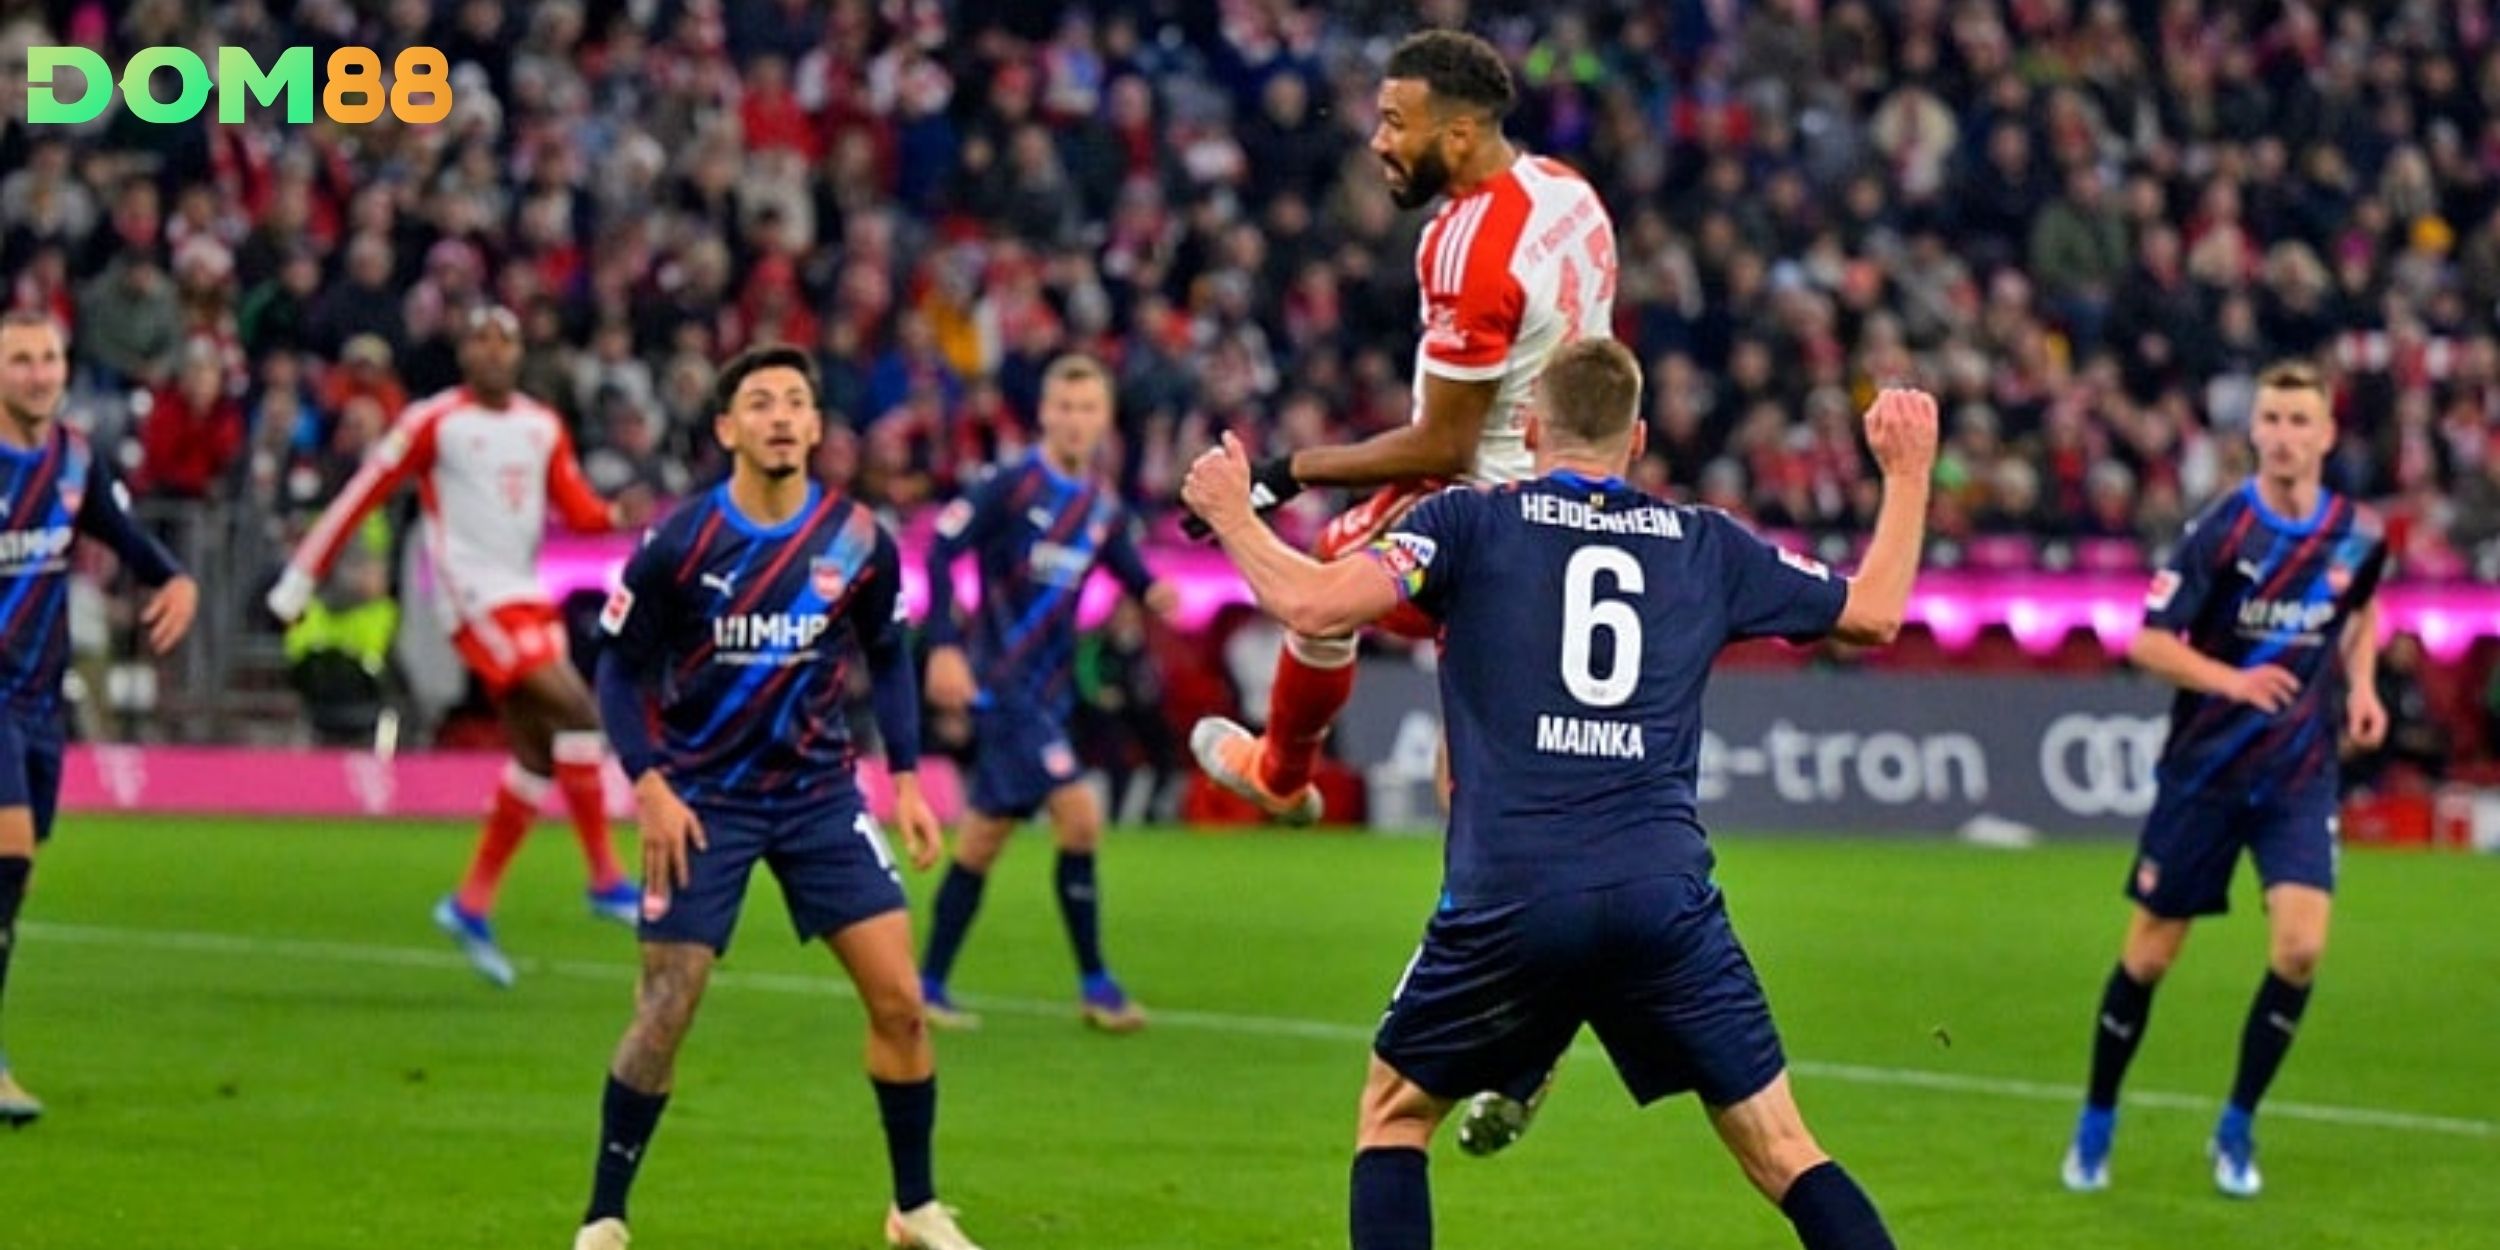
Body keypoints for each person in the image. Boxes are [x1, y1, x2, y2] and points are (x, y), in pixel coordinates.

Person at [1181, 338, 1933, 1250]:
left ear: (1531, 428)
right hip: (1663, 900)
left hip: (1513, 893)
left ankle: (1525, 1058)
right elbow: (1875, 613)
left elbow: (1315, 608)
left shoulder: (1468, 524)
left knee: (1394, 1115)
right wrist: (1906, 470)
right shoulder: (1707, 544)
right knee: (1782, 1149)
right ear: (1639, 439)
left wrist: (1232, 513)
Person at [573, 344, 980, 1250]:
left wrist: (906, 778)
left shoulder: (857, 540)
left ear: (816, 425)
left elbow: (889, 655)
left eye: (797, 401)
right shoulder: (680, 542)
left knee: (902, 1004)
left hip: (819, 797)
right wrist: (647, 784)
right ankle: (604, 1215)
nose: (783, 416)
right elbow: (616, 669)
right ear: (727, 429)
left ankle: (913, 1208)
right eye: (760, 403)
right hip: (702, 801)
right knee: (665, 1009)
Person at [1188, 28, 1618, 827]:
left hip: (1486, 513)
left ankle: (1281, 773)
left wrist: (1286, 471)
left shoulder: (1465, 247)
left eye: (1396, 123)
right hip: (1581, 495)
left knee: (1321, 585)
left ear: (1457, 134)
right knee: (1487, 760)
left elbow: (1445, 445)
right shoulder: (1571, 193)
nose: (1379, 142)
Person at [2061, 360, 2389, 1199]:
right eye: (2270, 419)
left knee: (2302, 947)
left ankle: (2237, 1125)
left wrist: (2362, 686)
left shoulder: (2357, 532)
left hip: (2297, 778)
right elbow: (2146, 640)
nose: (2282, 435)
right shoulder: (2222, 531)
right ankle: (2098, 1116)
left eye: (2297, 421)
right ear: (2254, 433)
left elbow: (2362, 607)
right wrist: (2234, 681)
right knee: (2149, 957)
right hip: (2205, 774)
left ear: (2324, 435)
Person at [267, 306, 654, 986]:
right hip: (471, 600)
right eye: (480, 339)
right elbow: (362, 494)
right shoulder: (433, 422)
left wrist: (614, 516)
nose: (494, 351)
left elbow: (579, 508)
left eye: (505, 339)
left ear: (519, 351)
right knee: (579, 715)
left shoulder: (541, 426)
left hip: (527, 595)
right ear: (462, 353)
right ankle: (604, 877)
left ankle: (471, 903)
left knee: (538, 754)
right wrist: (299, 582)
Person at [915, 354, 1177, 1032]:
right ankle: (1097, 986)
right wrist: (943, 643)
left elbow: (1123, 561)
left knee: (980, 841)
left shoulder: (1098, 504)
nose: (1076, 420)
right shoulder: (1008, 483)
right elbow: (941, 550)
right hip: (1002, 688)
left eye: (1089, 409)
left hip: (1050, 692)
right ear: (1044, 413)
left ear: (1105, 419)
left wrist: (1152, 590)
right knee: (1080, 815)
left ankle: (926, 984)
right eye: (1065, 406)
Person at [0, 310, 200, 1124]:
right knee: (8, 854)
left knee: (16, 875)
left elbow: (131, 542)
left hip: (42, 702)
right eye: (20, 360)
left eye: (48, 358)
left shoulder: (73, 459)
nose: (39, 373)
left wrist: (178, 581)